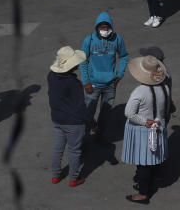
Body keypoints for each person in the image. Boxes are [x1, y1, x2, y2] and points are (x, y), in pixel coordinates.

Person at [122, 55, 171, 204]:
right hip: (159, 126)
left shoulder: (140, 91)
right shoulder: (165, 88)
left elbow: (129, 113)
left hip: (143, 131)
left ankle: (143, 193)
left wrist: (145, 121)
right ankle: (155, 179)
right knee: (154, 158)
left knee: (143, 163)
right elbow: (166, 110)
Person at [80, 12, 128, 139]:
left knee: (106, 114)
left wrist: (120, 73)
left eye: (107, 27)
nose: (104, 30)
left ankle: (100, 136)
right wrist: (86, 82)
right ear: (97, 27)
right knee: (88, 112)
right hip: (93, 85)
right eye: (101, 27)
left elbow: (124, 56)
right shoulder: (89, 40)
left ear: (111, 27)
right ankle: (84, 138)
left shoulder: (117, 39)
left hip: (110, 85)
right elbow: (82, 60)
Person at [47, 46, 90, 188]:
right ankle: (73, 178)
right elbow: (80, 107)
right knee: (74, 150)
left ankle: (55, 175)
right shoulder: (74, 83)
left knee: (57, 148)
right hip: (74, 123)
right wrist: (91, 121)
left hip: (57, 119)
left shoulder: (51, 76)